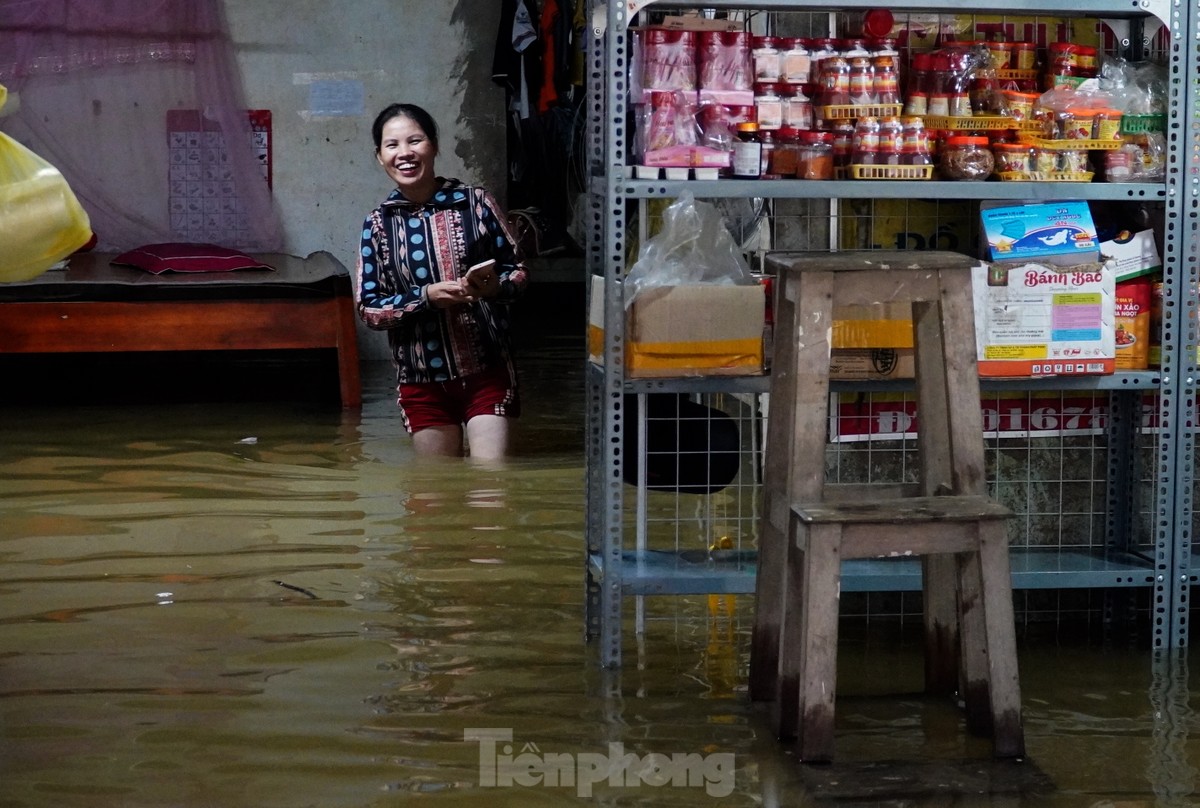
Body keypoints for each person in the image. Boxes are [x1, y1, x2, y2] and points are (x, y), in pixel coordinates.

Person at [354, 103, 528, 459]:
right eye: (392, 145)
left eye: (415, 140)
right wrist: (426, 298)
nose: (404, 153)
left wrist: (495, 287)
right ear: (379, 157)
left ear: (433, 146)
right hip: (421, 382)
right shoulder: (377, 225)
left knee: (490, 488)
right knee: (434, 495)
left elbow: (518, 269)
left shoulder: (475, 204)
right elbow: (369, 309)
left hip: (486, 371)